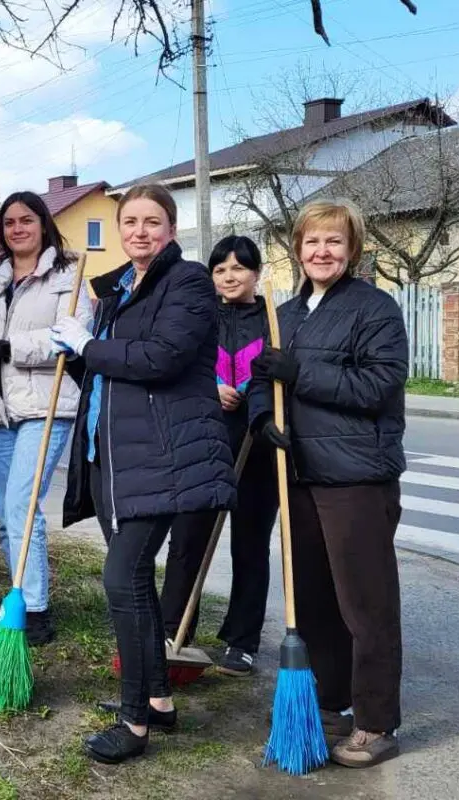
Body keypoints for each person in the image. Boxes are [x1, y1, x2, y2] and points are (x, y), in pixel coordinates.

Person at [50, 184, 236, 765]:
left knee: (120, 578)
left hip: (164, 456)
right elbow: (108, 379)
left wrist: (89, 345)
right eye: (129, 221)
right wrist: (80, 349)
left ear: (171, 229)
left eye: (152, 222)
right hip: (116, 457)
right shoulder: (118, 290)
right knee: (132, 584)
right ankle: (157, 699)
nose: (139, 231)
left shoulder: (187, 284)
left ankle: (133, 724)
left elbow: (160, 358)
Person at [248, 199, 408, 769]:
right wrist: (261, 418)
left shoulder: (376, 310)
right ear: (298, 247)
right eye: (313, 241)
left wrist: (301, 374)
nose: (322, 251)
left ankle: (375, 721)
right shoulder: (286, 315)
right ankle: (331, 699)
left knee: (365, 605)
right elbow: (259, 379)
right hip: (300, 477)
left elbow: (378, 386)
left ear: (353, 249)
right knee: (313, 601)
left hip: (356, 478)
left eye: (335, 242)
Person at [0, 192, 92, 646]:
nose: (16, 229)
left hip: (44, 407)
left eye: (25, 220)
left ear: (43, 224)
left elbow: (70, 338)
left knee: (22, 506)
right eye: (9, 222)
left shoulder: (69, 275)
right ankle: (19, 598)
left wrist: (6, 346)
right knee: (7, 517)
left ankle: (34, 609)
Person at [159, 235, 279, 676]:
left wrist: (257, 397)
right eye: (220, 269)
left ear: (256, 272)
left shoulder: (274, 319)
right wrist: (208, 388)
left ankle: (242, 640)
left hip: (257, 446)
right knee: (188, 536)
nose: (229, 276)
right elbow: (178, 365)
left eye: (239, 268)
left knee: (250, 543)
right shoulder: (198, 316)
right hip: (203, 443)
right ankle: (173, 628)